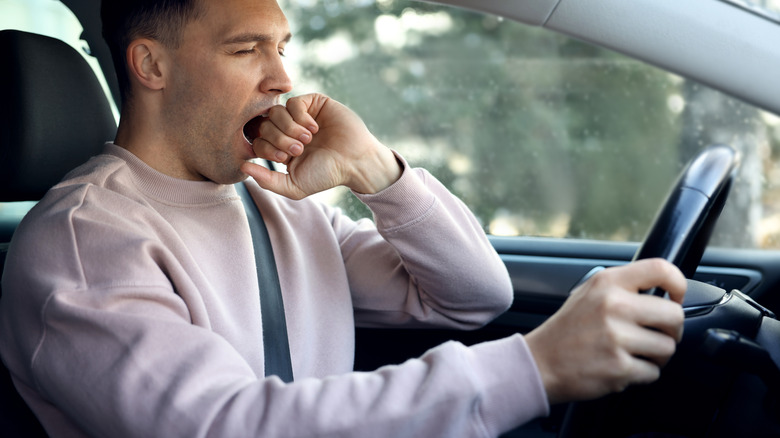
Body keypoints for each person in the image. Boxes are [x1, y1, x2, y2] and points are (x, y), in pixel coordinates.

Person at [0, 0, 687, 436]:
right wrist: (535, 367)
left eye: (282, 46)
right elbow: (226, 426)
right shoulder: (84, 243)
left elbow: (477, 296)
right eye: (246, 50)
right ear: (151, 64)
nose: (280, 78)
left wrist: (373, 170)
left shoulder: (268, 197)